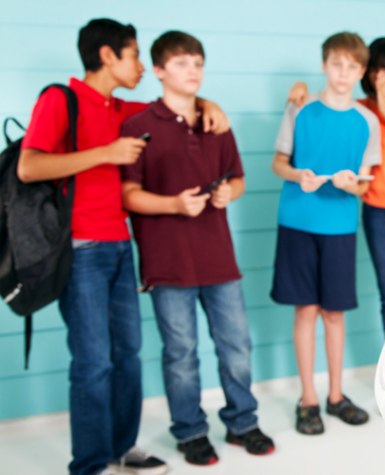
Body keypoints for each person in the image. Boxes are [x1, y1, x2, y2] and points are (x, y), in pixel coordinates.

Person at [18, 18, 228, 475]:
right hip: (80, 251)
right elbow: (29, 167)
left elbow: (173, 104)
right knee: (93, 362)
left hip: (120, 248)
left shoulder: (123, 107)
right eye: (133, 55)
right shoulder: (61, 99)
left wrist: (208, 101)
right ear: (108, 55)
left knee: (127, 355)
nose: (139, 64)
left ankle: (121, 450)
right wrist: (105, 154)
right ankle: (90, 464)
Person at [120, 30, 274, 466]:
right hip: (168, 265)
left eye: (198, 63)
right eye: (182, 62)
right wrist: (172, 204)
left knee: (236, 346)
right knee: (181, 354)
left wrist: (230, 193)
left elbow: (237, 178)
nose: (193, 71)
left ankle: (243, 422)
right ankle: (189, 430)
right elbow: (128, 194)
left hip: (219, 260)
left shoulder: (216, 122)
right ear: (159, 70)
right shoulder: (138, 126)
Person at [270, 31, 381, 435]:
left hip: (339, 228)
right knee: (306, 310)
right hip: (297, 222)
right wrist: (298, 174)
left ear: (361, 71)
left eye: (352, 66)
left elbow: (365, 186)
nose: (343, 73)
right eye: (337, 64)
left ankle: (335, 395)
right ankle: (308, 399)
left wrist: (351, 185)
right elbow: (278, 163)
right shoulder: (300, 108)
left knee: (334, 313)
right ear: (324, 65)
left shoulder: (367, 121)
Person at [289, 37, 385, 335]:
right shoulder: (362, 108)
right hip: (377, 214)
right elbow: (327, 105)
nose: (381, 76)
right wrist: (299, 89)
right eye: (375, 70)